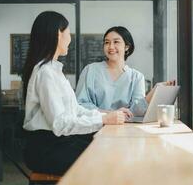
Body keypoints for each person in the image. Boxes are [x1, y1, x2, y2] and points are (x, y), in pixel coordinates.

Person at [22, 11, 125, 175]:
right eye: (68, 33)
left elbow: (75, 110)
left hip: (58, 142)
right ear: (58, 34)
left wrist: (107, 115)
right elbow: (60, 124)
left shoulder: (54, 70)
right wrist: (103, 119)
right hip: (45, 149)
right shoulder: (45, 72)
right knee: (105, 160)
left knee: (107, 149)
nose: (70, 39)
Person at [75, 26, 174, 119]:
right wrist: (110, 115)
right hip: (94, 129)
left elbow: (136, 112)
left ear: (127, 46)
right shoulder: (90, 70)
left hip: (124, 129)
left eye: (116, 42)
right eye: (107, 42)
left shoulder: (136, 77)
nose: (111, 46)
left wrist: (154, 92)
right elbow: (80, 105)